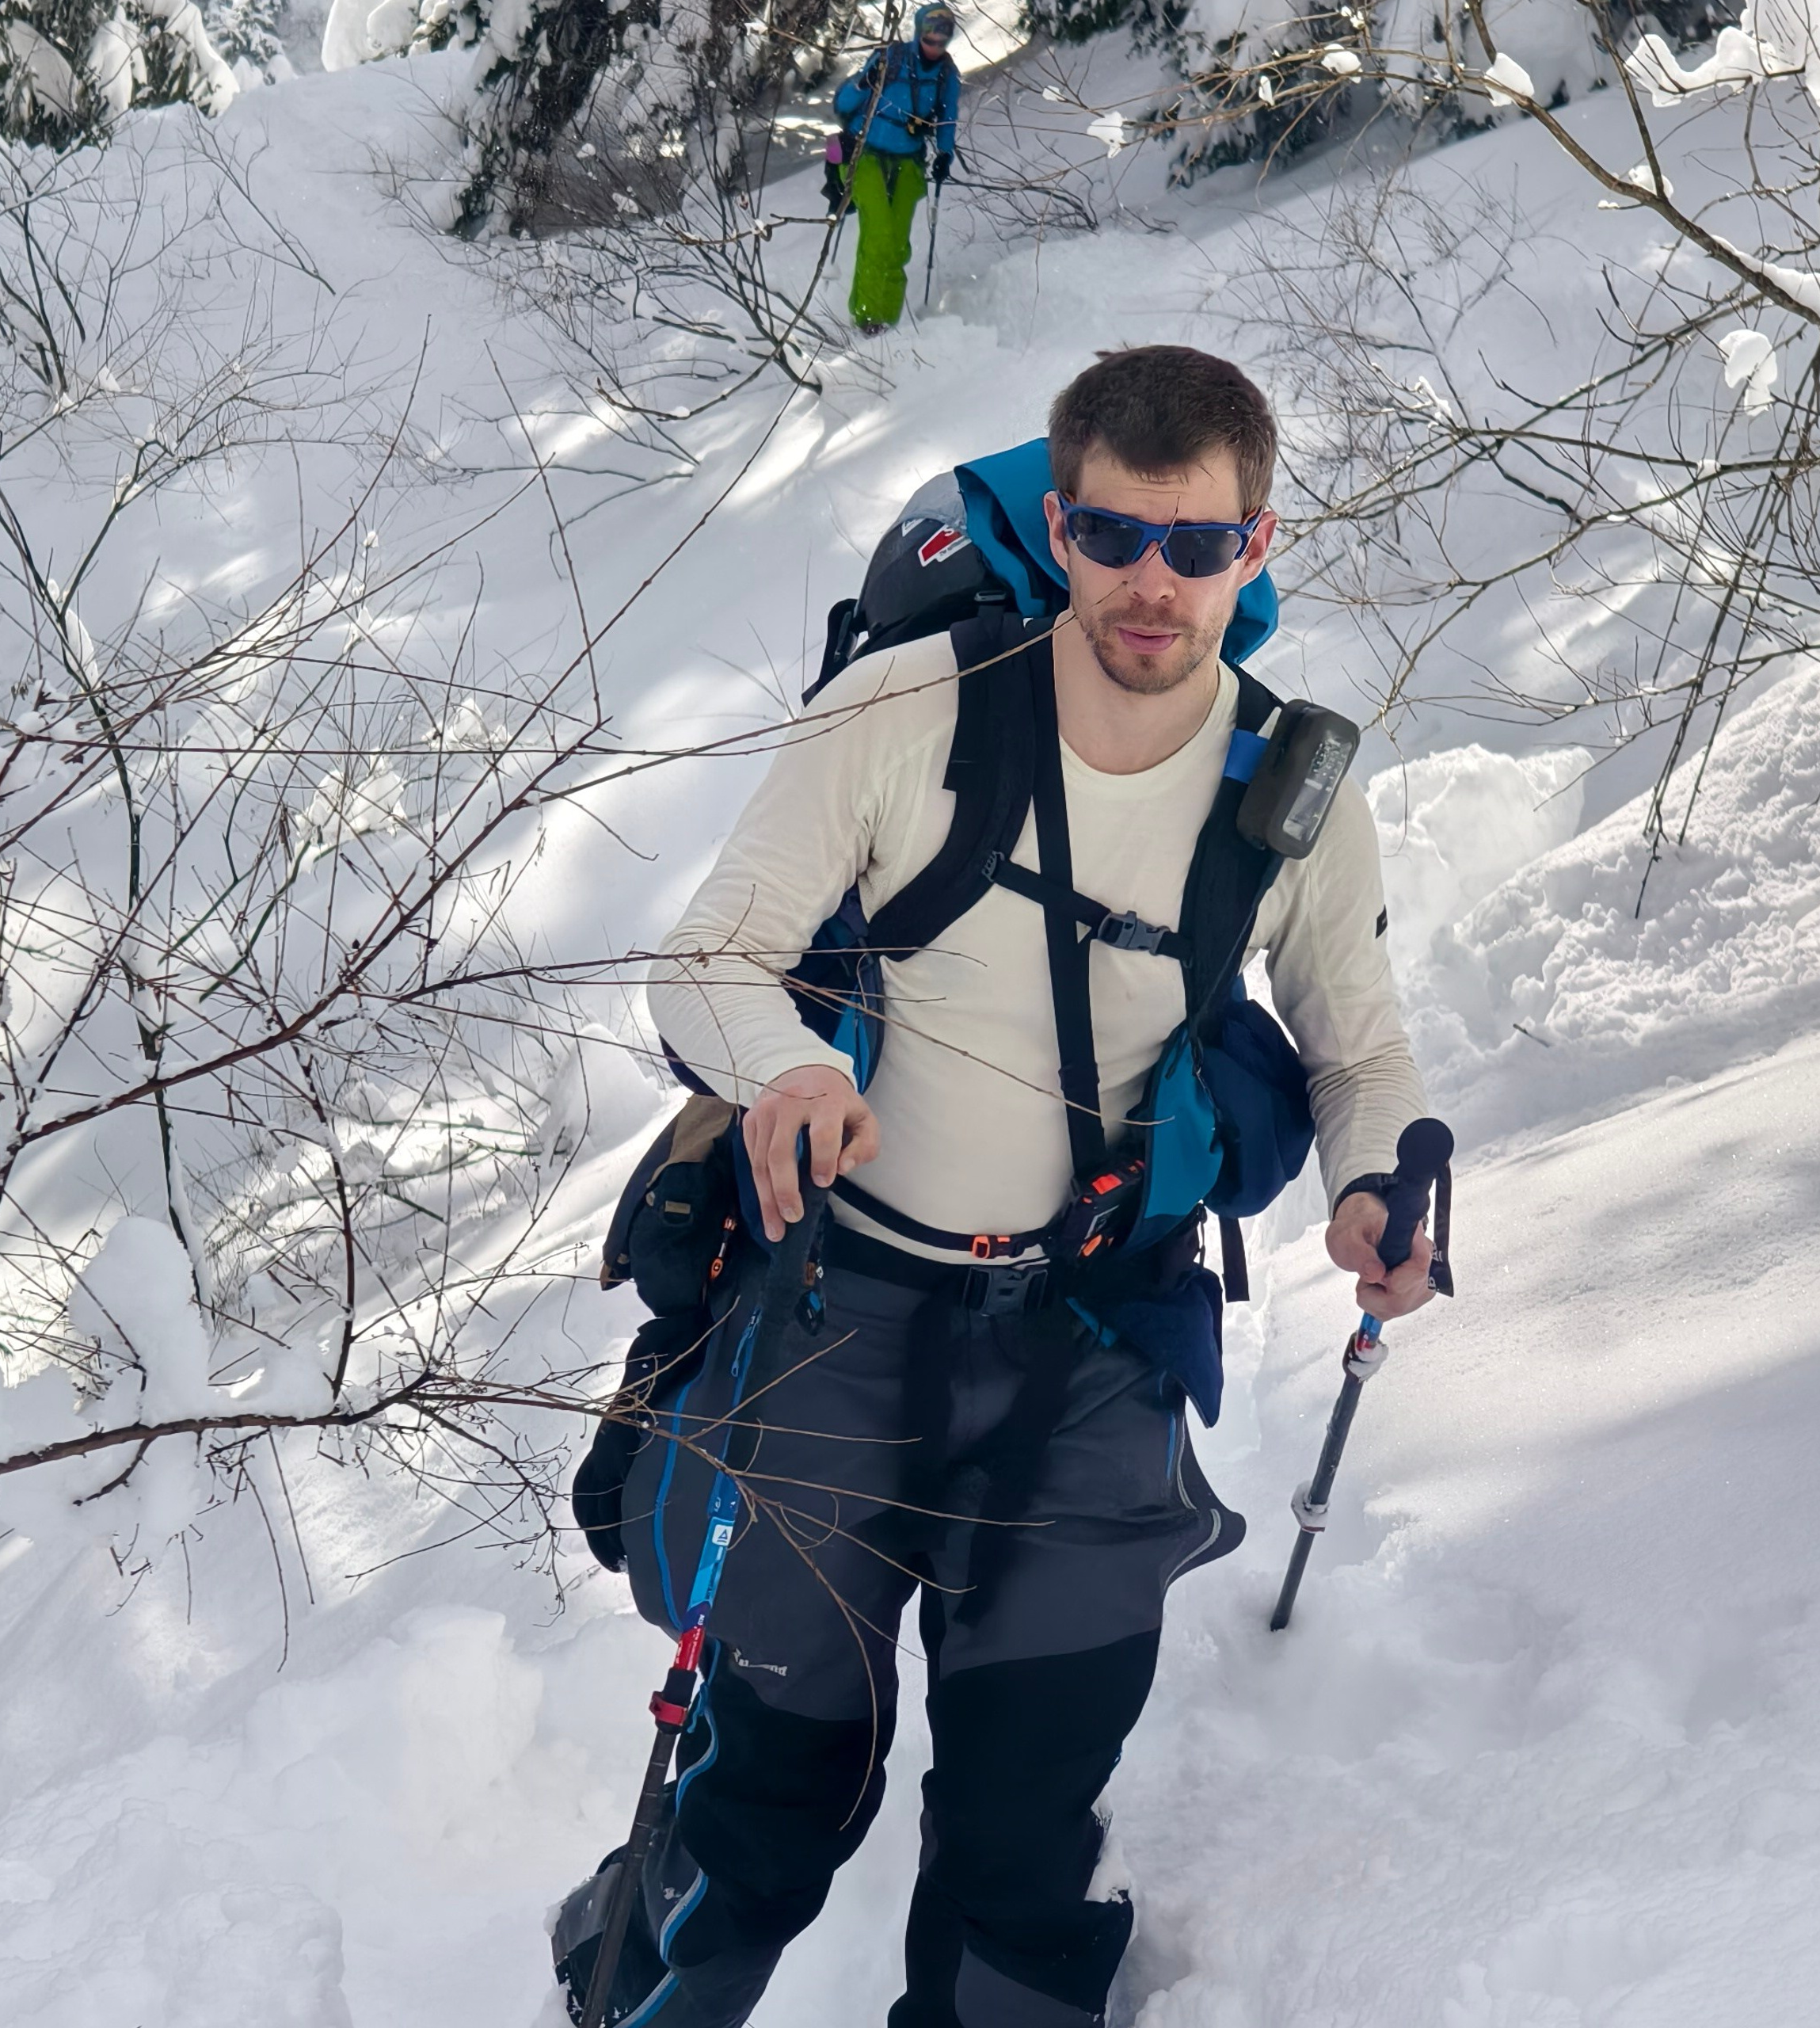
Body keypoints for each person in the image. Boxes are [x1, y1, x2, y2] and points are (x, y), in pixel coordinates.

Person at [569, 346, 1435, 2028]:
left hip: (1093, 1337)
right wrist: (789, 1068)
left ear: (1255, 547)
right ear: (1061, 521)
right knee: (775, 1758)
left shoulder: (1289, 791)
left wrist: (1373, 1186)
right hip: (846, 1309)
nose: (1152, 584)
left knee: (1026, 1803)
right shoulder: (905, 714)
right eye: (1116, 537)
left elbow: (1356, 1046)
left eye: (1198, 547)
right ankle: (641, 1989)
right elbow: (703, 963)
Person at [833, 5, 961, 333]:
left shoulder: (947, 74)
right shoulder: (892, 58)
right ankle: (869, 319)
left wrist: (945, 153)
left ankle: (885, 320)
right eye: (930, 35)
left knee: (897, 244)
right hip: (864, 153)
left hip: (908, 159)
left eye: (942, 37)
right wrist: (866, 82)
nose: (935, 44)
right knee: (879, 235)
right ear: (919, 32)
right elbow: (844, 104)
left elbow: (948, 116)